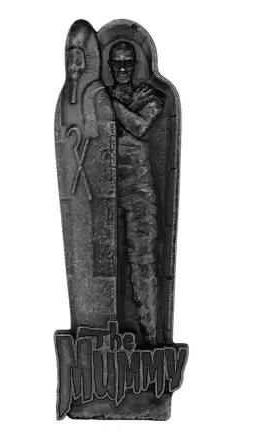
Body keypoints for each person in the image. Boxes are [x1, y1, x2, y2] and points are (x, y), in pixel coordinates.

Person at [108, 41, 165, 345]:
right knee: (104, 265)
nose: (122, 70)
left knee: (143, 265)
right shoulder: (100, 97)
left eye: (127, 63)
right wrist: (126, 106)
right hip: (106, 189)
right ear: (109, 67)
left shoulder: (152, 96)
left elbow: (141, 127)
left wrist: (113, 105)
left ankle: (152, 341)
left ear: (135, 66)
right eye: (116, 64)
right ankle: (108, 337)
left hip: (139, 191)